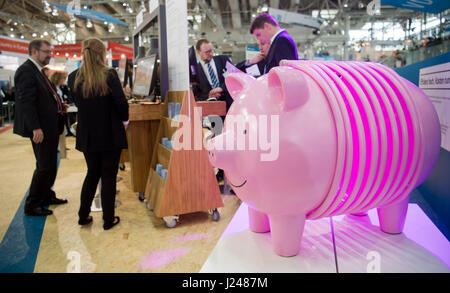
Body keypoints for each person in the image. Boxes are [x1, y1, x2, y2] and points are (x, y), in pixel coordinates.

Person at [68, 38, 129, 230]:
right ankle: (108, 220)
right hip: (110, 133)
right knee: (108, 176)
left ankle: (83, 215)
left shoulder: (73, 77)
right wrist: (124, 120)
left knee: (92, 174)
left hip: (87, 134)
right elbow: (121, 104)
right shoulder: (109, 74)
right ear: (102, 54)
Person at [13, 39, 68, 216]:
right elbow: (26, 102)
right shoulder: (26, 71)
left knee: (51, 164)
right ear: (34, 51)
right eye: (46, 52)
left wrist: (59, 106)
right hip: (41, 129)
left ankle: (46, 195)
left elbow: (45, 97)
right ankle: (33, 203)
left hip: (50, 126)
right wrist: (35, 127)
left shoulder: (39, 71)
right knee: (44, 165)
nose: (49, 55)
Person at [193, 38, 233, 111]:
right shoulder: (195, 71)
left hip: (229, 104)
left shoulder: (223, 60)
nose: (211, 54)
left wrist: (221, 88)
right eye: (207, 52)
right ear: (198, 52)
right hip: (211, 109)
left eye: (211, 51)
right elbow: (196, 94)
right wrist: (209, 96)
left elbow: (234, 77)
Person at [50, 71, 75, 136]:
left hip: (62, 110)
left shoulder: (61, 87)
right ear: (57, 78)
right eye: (63, 78)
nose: (64, 80)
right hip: (56, 112)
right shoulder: (52, 87)